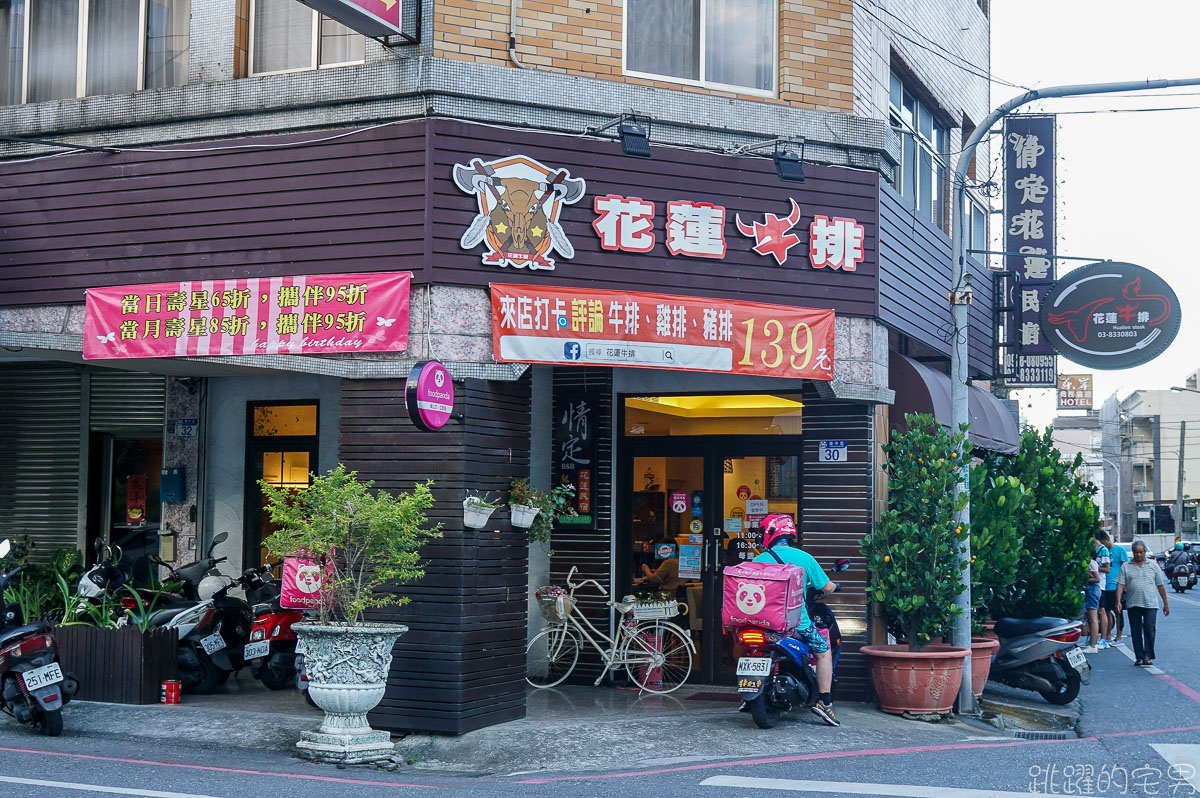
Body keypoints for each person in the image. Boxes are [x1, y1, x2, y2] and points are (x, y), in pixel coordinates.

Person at [753, 514, 840, 727]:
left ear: (769, 534)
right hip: (795, 624)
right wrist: (835, 586)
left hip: (761, 623)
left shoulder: (757, 560)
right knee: (823, 652)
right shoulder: (804, 558)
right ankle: (825, 702)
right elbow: (826, 587)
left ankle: (749, 696)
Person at [1115, 540, 1170, 666]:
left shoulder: (1153, 566)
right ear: (1133, 553)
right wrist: (1118, 601)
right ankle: (1139, 656)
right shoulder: (1126, 566)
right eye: (1136, 552)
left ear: (1145, 552)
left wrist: (1165, 604)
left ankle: (1147, 656)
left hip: (1150, 603)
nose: (1139, 555)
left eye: (1141, 552)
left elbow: (1160, 585)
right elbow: (1120, 585)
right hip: (1133, 603)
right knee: (1136, 631)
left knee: (1149, 629)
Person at [1100, 532, 1128, 645]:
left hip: (1116, 585)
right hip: (1104, 585)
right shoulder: (1103, 551)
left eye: (1103, 542)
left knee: (1118, 611)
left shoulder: (1120, 550)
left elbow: (1125, 567)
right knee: (1106, 611)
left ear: (1107, 539)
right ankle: (1108, 636)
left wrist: (1125, 584)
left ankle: (1119, 636)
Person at [1092, 531, 1111, 649]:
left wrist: (1094, 567)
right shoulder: (1090, 549)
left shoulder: (1103, 550)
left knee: (1101, 610)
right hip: (1093, 584)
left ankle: (1103, 639)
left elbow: (1107, 569)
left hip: (1100, 584)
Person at [1083, 549, 1103, 654]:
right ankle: (1091, 643)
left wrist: (1083, 579)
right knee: (1090, 618)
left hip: (1092, 589)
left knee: (1093, 618)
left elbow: (1097, 578)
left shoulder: (1090, 562)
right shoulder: (1093, 562)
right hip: (1092, 590)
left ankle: (1093, 645)